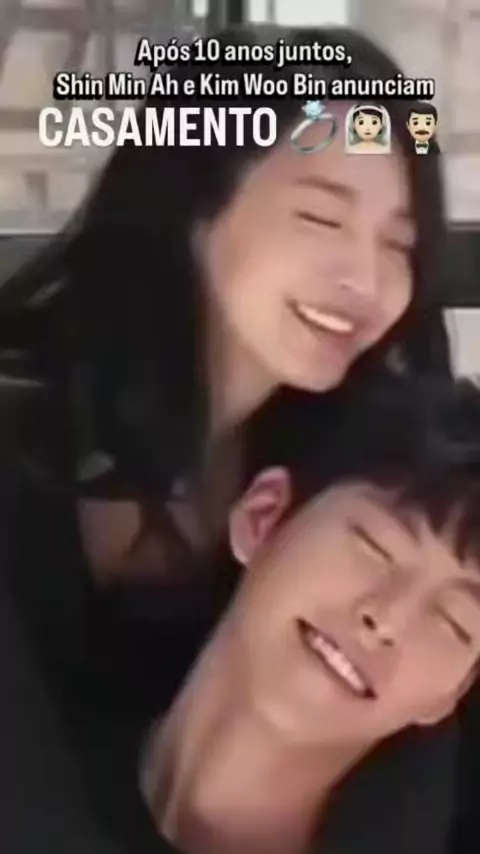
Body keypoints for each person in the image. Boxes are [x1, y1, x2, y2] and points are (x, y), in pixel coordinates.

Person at [0, 21, 452, 854]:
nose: (366, 279)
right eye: (321, 217)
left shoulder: (344, 462)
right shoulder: (22, 427)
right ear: (194, 209)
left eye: (399, 244)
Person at [142, 374, 480, 854]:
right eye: (375, 547)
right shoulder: (43, 731)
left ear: (452, 693)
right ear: (264, 516)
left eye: (454, 622)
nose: (387, 619)